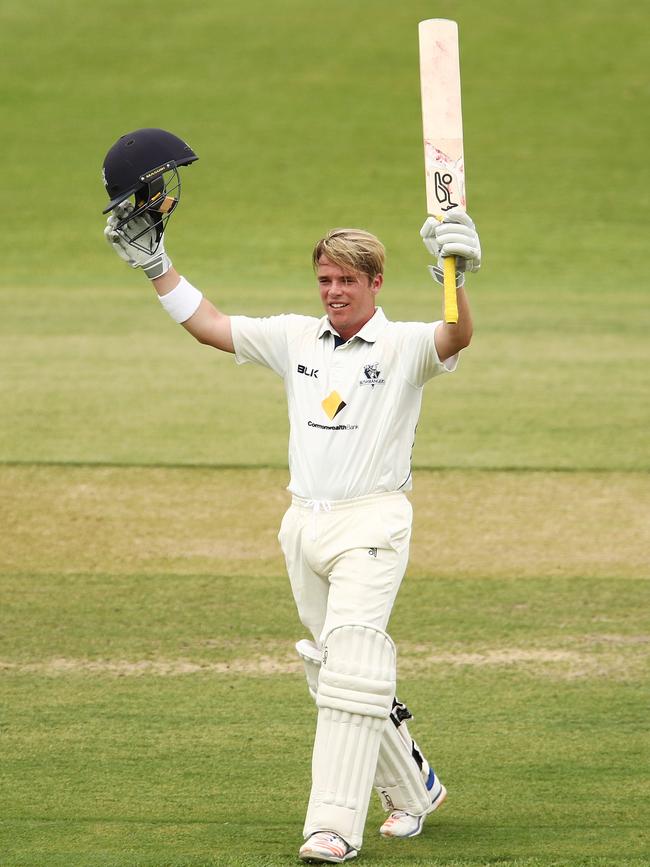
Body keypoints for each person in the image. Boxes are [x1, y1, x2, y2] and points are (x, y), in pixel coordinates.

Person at [102, 131, 480, 864]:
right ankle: (413, 784)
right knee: (333, 670)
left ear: (375, 283)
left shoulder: (403, 347)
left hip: (373, 520)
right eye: (325, 281)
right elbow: (210, 326)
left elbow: (458, 332)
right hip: (302, 524)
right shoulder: (296, 338)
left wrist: (457, 276)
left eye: (347, 282)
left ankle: (331, 825)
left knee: (350, 664)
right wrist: (158, 267)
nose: (334, 293)